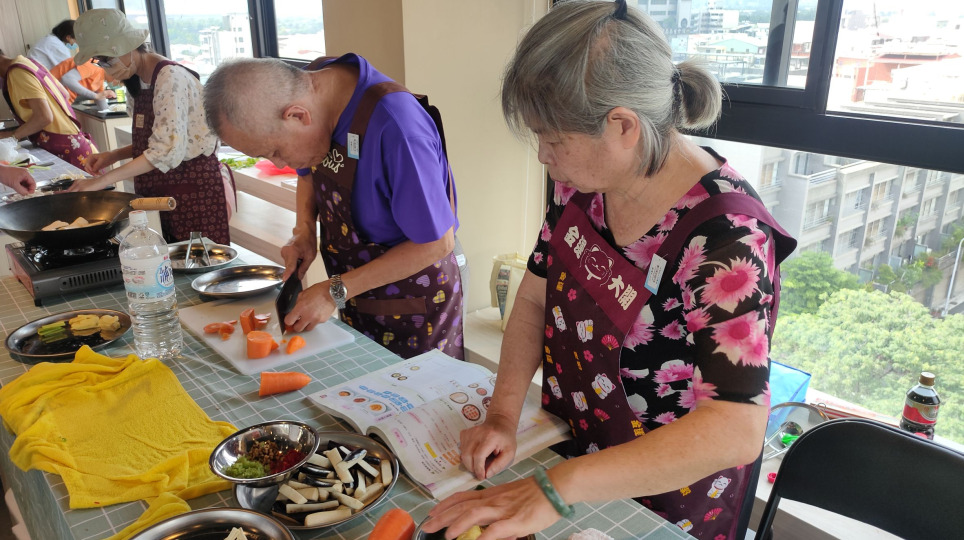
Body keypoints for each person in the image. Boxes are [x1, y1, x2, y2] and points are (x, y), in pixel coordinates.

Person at [422, 2, 796, 540]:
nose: (543, 156)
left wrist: (557, 487)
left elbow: (735, 428)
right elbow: (535, 297)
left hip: (667, 501)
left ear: (622, 125)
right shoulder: (581, 188)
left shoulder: (726, 239)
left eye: (554, 140)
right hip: (572, 455)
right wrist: (502, 416)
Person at [203, 55, 465, 360]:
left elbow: (437, 243)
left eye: (275, 151)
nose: (279, 164)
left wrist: (333, 291)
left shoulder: (399, 128)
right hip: (356, 295)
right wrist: (303, 230)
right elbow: (309, 173)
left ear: (298, 116)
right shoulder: (311, 84)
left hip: (417, 302)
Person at [67, 9, 236, 245]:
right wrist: (112, 156)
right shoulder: (136, 80)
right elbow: (156, 142)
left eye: (106, 59)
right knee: (162, 257)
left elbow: (166, 150)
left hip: (193, 193)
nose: (105, 66)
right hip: (159, 191)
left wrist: (100, 181)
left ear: (127, 45)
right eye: (99, 61)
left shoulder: (170, 78)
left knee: (196, 259)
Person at [0, 49, 100, 170]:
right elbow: (65, 94)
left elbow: (44, 117)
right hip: (76, 142)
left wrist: (12, 136)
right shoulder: (28, 62)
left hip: (66, 149)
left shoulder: (17, 73)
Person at [29, 20, 114, 104]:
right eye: (76, 40)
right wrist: (95, 96)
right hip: (38, 80)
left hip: (34, 77)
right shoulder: (58, 47)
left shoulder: (50, 40)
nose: (76, 44)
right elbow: (67, 76)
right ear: (68, 37)